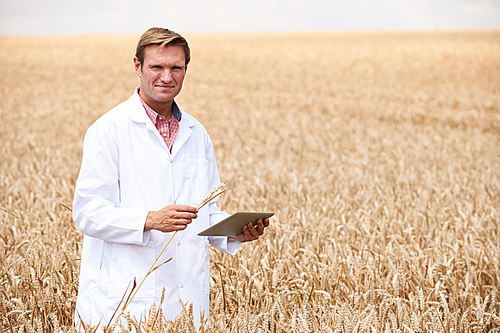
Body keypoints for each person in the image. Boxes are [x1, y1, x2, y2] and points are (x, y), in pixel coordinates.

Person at [72, 27, 270, 329]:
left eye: (176, 67)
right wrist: (150, 220)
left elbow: (204, 211)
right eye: (157, 67)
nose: (167, 76)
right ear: (138, 67)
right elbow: (87, 213)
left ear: (185, 70)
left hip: (186, 300)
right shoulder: (109, 130)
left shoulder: (197, 133)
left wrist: (234, 232)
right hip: (124, 300)